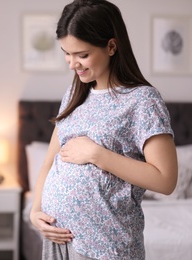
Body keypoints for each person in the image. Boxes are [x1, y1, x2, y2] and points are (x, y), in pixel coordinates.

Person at [29, 0, 178, 259]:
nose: (72, 64)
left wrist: (97, 154)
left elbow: (165, 180)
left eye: (82, 55)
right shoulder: (74, 94)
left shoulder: (143, 100)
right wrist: (35, 211)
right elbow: (48, 163)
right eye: (67, 53)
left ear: (111, 46)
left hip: (106, 247)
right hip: (59, 240)